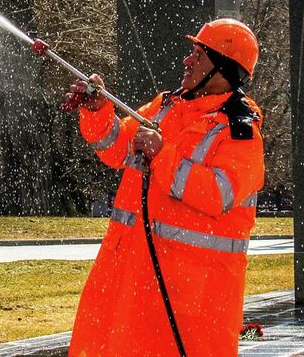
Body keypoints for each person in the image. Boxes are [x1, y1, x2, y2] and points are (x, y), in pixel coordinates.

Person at [64, 19, 265, 357]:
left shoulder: (240, 134)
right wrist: (99, 111)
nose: (187, 61)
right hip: (132, 278)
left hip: (188, 299)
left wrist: (162, 154)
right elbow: (115, 148)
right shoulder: (165, 106)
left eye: (199, 55)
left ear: (222, 70)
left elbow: (217, 195)